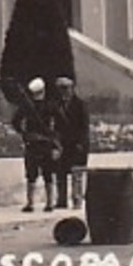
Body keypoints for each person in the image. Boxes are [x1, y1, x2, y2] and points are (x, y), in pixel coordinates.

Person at [13, 77, 60, 212]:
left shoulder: (27, 106)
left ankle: (31, 203)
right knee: (46, 174)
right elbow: (60, 123)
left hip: (34, 143)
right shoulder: (50, 105)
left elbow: (16, 121)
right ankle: (49, 203)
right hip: (43, 143)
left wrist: (24, 133)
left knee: (33, 174)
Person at [50, 75, 91, 210]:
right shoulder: (57, 105)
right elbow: (55, 126)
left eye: (66, 88)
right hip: (63, 144)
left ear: (72, 89)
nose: (64, 91)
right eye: (61, 89)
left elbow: (84, 127)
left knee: (76, 174)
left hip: (77, 144)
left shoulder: (80, 105)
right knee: (60, 173)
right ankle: (61, 200)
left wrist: (81, 143)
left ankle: (77, 200)